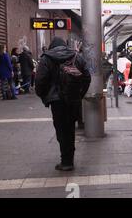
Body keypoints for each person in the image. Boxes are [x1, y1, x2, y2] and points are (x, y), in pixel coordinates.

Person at [35, 37, 91, 171]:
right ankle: (69, 160)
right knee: (70, 128)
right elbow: (87, 77)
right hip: (73, 99)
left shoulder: (46, 58)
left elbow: (40, 81)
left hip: (56, 101)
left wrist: (45, 96)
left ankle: (65, 161)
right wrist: (80, 94)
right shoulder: (77, 56)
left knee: (61, 129)